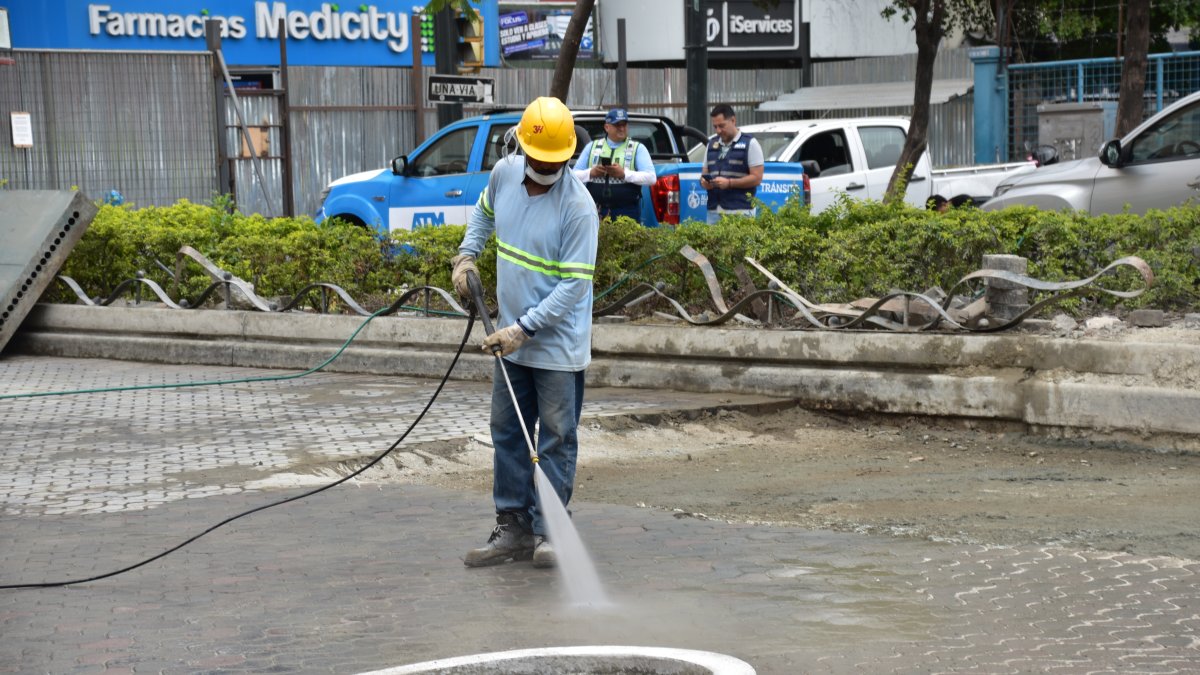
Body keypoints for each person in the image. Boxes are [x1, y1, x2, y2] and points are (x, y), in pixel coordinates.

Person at [449, 96, 599, 570]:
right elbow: (484, 212)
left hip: (555, 345)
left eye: (552, 162)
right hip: (510, 341)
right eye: (535, 158)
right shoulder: (505, 174)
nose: (541, 167)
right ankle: (512, 527)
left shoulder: (578, 208)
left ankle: (549, 531)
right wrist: (467, 253)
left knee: (555, 437)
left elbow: (574, 285)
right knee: (509, 433)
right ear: (521, 146)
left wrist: (523, 329)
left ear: (568, 157)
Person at [571, 107, 656, 224]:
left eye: (624, 125)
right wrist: (591, 173)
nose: (622, 128)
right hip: (596, 210)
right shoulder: (592, 147)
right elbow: (573, 176)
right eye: (617, 125)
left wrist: (624, 174)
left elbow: (651, 178)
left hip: (627, 211)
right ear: (607, 127)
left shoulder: (638, 148)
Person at [699, 103, 764, 224]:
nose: (718, 130)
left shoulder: (750, 144)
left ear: (733, 120)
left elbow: (757, 178)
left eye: (722, 126)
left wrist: (729, 183)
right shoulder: (711, 145)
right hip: (713, 212)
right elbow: (704, 174)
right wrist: (704, 183)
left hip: (741, 212)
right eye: (715, 127)